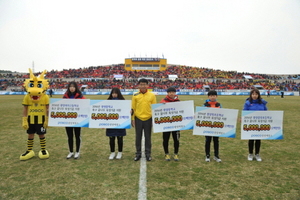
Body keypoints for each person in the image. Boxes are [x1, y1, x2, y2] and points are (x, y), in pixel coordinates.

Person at [20, 69, 50, 161]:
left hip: (41, 118)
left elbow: (47, 108)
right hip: (31, 118)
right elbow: (25, 109)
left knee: (41, 135)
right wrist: (24, 120)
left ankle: (43, 150)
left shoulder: (45, 97)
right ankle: (29, 151)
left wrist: (47, 119)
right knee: (30, 135)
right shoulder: (27, 97)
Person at [131, 78, 157, 161]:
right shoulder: (135, 95)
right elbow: (133, 108)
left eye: (144, 84)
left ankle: (148, 154)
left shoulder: (152, 95)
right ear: (138, 85)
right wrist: (132, 119)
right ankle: (138, 153)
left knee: (148, 137)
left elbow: (154, 108)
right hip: (138, 118)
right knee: (138, 137)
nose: (143, 86)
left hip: (148, 119)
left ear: (147, 85)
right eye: (141, 84)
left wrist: (154, 119)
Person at [243, 88, 267, 162]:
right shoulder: (247, 103)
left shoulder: (262, 103)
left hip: (260, 124)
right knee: (251, 139)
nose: (254, 96)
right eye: (253, 94)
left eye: (256, 94)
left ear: (258, 95)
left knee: (258, 139)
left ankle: (257, 154)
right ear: (251, 95)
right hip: (251, 124)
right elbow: (244, 112)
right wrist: (242, 118)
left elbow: (266, 112)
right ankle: (250, 153)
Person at [63, 82, 85, 159]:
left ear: (76, 88)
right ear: (68, 88)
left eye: (73, 86)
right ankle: (71, 152)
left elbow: (85, 106)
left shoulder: (80, 96)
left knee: (77, 136)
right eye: (70, 86)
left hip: (77, 119)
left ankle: (77, 152)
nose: (72, 88)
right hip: (68, 119)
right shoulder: (65, 96)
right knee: (69, 136)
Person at [160, 87, 181, 161]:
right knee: (166, 139)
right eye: (170, 92)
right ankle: (166, 154)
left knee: (176, 140)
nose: (171, 93)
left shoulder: (178, 101)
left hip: (176, 124)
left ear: (175, 93)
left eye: (173, 92)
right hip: (166, 124)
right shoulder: (163, 101)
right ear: (167, 93)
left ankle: (176, 154)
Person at [106, 88, 126, 160]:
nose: (114, 94)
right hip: (111, 124)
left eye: (116, 93)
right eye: (113, 93)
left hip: (120, 123)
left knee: (120, 138)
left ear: (118, 93)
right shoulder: (108, 102)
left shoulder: (123, 101)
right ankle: (112, 152)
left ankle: (120, 152)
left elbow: (126, 110)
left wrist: (130, 111)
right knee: (111, 138)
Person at [203, 90, 222, 162]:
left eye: (214, 96)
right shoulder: (205, 105)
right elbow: (201, 113)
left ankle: (216, 155)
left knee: (216, 141)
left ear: (216, 96)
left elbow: (223, 114)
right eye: (211, 96)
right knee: (208, 140)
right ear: (208, 97)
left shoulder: (219, 104)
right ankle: (207, 155)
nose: (212, 97)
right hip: (208, 126)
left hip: (216, 126)